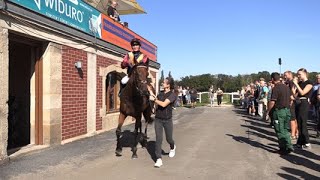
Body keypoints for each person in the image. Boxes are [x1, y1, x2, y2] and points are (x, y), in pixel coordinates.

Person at [148, 77, 177, 168]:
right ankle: (158, 159)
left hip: (167, 120)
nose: (162, 83)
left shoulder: (172, 95)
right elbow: (156, 102)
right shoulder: (160, 94)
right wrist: (151, 93)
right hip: (158, 119)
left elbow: (164, 104)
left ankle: (172, 147)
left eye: (164, 82)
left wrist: (155, 100)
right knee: (158, 139)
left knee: (169, 139)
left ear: (168, 85)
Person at [266, 72, 294, 155]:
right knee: (285, 130)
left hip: (279, 112)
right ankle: (289, 146)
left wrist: (268, 111)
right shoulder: (286, 87)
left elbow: (272, 102)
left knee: (280, 130)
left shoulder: (276, 88)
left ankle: (283, 148)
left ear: (272, 79)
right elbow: (291, 99)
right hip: (287, 110)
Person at [293, 68, 313, 149]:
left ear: (305, 74)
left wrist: (296, 84)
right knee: (299, 123)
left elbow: (303, 93)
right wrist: (295, 85)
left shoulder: (309, 83)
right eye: (298, 74)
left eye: (300, 74)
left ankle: (307, 142)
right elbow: (295, 95)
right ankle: (300, 142)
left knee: (303, 122)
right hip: (298, 103)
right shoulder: (300, 83)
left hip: (304, 103)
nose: (298, 76)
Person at [284, 71, 299, 140]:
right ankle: (296, 132)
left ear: (290, 75)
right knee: (294, 118)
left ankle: (293, 134)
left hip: (292, 102)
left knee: (292, 119)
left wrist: (292, 99)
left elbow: (295, 92)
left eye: (286, 75)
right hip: (291, 101)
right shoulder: (287, 82)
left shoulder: (292, 82)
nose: (285, 77)